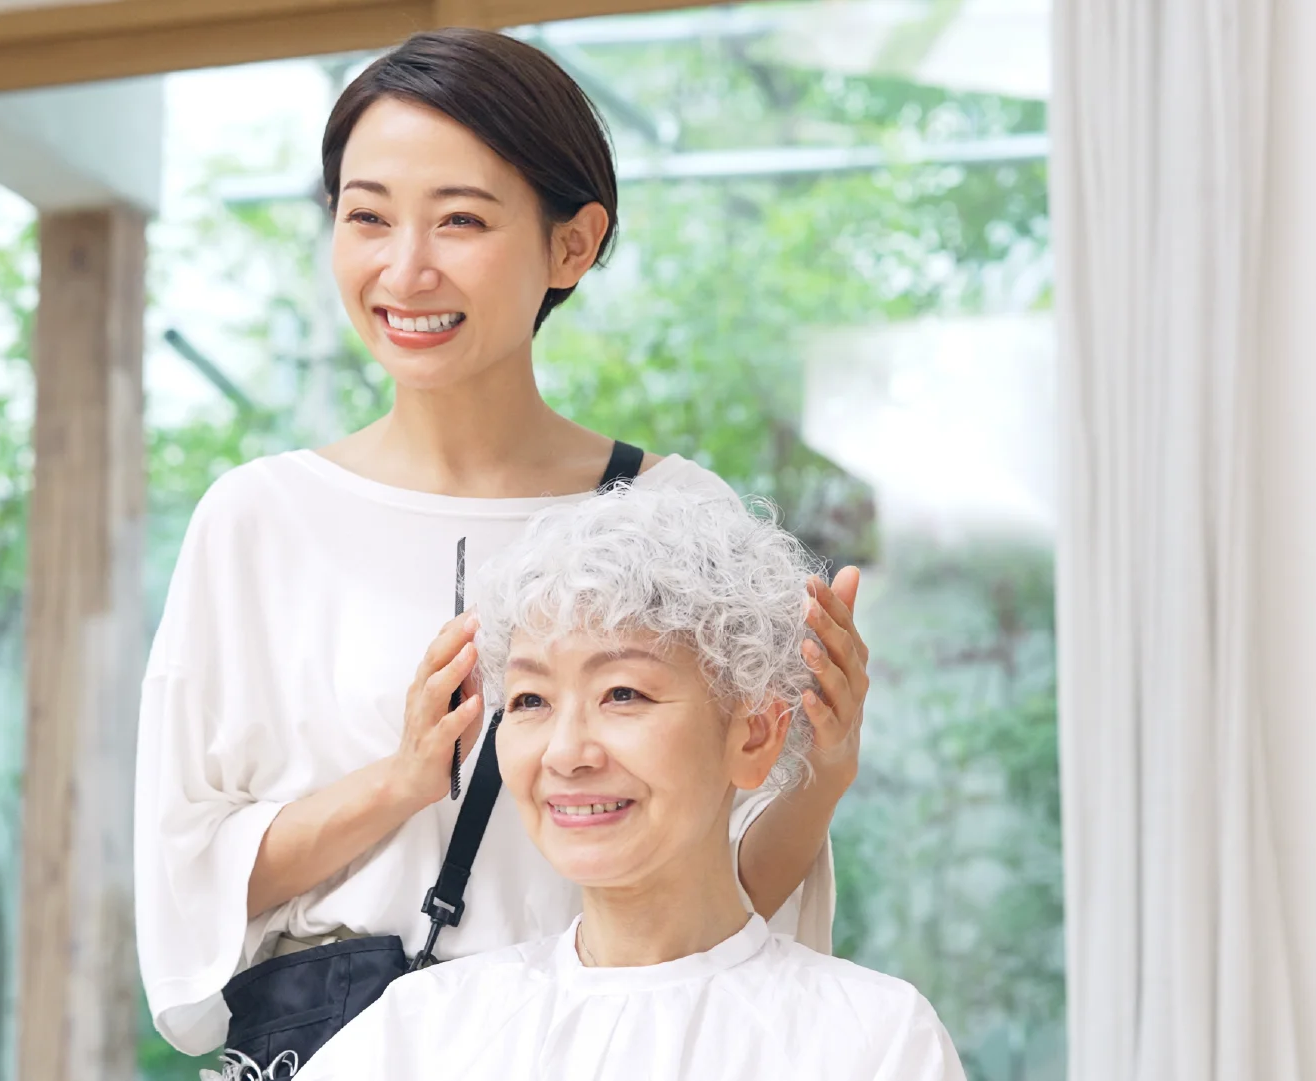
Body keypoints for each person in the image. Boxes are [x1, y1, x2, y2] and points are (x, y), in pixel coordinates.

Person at [135, 26, 873, 1064]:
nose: (404, 268)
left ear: (571, 243)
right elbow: (183, 892)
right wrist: (400, 779)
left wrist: (818, 781)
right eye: (366, 217)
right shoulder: (256, 519)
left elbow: (722, 914)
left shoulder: (668, 510)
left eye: (460, 220)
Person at [295, 486, 963, 1081]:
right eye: (529, 699)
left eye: (622, 692)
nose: (565, 751)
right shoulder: (421, 1031)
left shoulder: (870, 1040)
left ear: (753, 733)